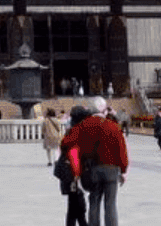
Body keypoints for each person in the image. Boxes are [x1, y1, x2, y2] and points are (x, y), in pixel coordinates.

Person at [61, 96, 128, 226]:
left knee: (94, 201)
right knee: (110, 203)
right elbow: (121, 150)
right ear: (105, 110)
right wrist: (123, 170)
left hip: (92, 169)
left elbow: (66, 143)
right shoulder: (113, 126)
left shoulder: (83, 125)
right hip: (111, 169)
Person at [54, 106, 92, 226]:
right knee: (77, 206)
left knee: (75, 207)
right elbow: (74, 155)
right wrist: (76, 176)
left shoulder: (72, 131)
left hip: (69, 174)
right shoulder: (77, 133)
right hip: (72, 175)